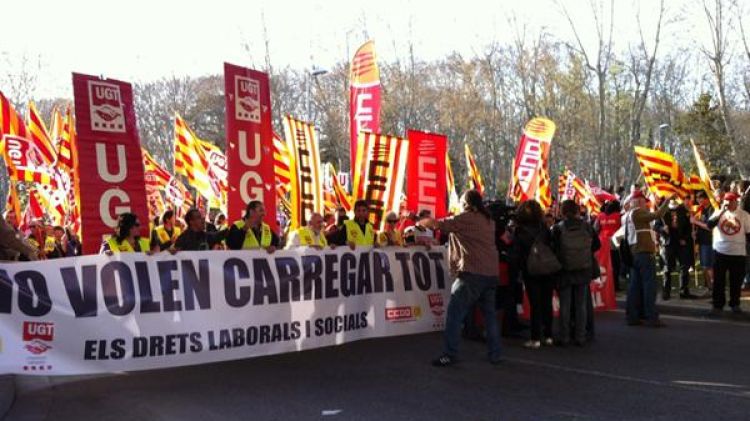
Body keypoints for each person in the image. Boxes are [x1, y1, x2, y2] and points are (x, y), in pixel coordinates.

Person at [418, 190, 501, 366]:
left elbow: (441, 225)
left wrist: (422, 221)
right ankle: (495, 353)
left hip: (472, 273)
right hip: (491, 273)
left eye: (462, 201)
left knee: (454, 314)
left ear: (467, 204)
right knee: (490, 316)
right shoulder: (488, 220)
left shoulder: (467, 218)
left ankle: (450, 353)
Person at [553, 200, 600, 346]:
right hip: (583, 269)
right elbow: (597, 245)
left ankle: (564, 337)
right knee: (581, 305)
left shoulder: (558, 228)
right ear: (577, 211)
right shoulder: (586, 226)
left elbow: (553, 248)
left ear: (563, 211)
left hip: (564, 270)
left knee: (565, 305)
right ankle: (580, 336)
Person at [623, 190, 673, 327]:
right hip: (643, 254)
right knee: (649, 287)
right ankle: (651, 317)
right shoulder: (638, 212)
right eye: (645, 201)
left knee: (635, 287)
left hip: (636, 254)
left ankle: (633, 316)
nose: (647, 203)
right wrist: (667, 201)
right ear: (639, 201)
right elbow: (657, 214)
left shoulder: (629, 215)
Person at [512, 200, 556, 348]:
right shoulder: (544, 228)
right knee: (547, 303)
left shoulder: (519, 231)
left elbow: (516, 254)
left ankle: (535, 338)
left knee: (535, 304)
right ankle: (549, 335)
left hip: (530, 271)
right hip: (547, 268)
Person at [706, 192, 750, 314]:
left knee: (736, 281)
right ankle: (717, 305)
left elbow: (748, 233)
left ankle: (735, 304)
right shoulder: (718, 213)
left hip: (738, 253)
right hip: (720, 251)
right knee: (719, 281)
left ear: (736, 201)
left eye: (731, 201)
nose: (729, 204)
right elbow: (709, 225)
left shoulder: (744, 215)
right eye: (726, 201)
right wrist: (721, 213)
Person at [655, 200, 696, 300]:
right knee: (667, 268)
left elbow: (688, 227)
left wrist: (685, 238)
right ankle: (666, 291)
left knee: (684, 267)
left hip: (681, 243)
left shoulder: (683, 210)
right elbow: (656, 226)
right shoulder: (662, 210)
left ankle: (684, 291)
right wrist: (662, 229)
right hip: (668, 243)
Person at [691, 192, 715, 292]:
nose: (698, 200)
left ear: (706, 198)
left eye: (700, 198)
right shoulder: (701, 209)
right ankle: (709, 287)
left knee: (709, 266)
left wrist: (695, 222)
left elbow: (709, 227)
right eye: (697, 198)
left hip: (710, 241)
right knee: (704, 266)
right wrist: (695, 232)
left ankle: (713, 287)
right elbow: (700, 225)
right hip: (702, 241)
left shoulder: (712, 209)